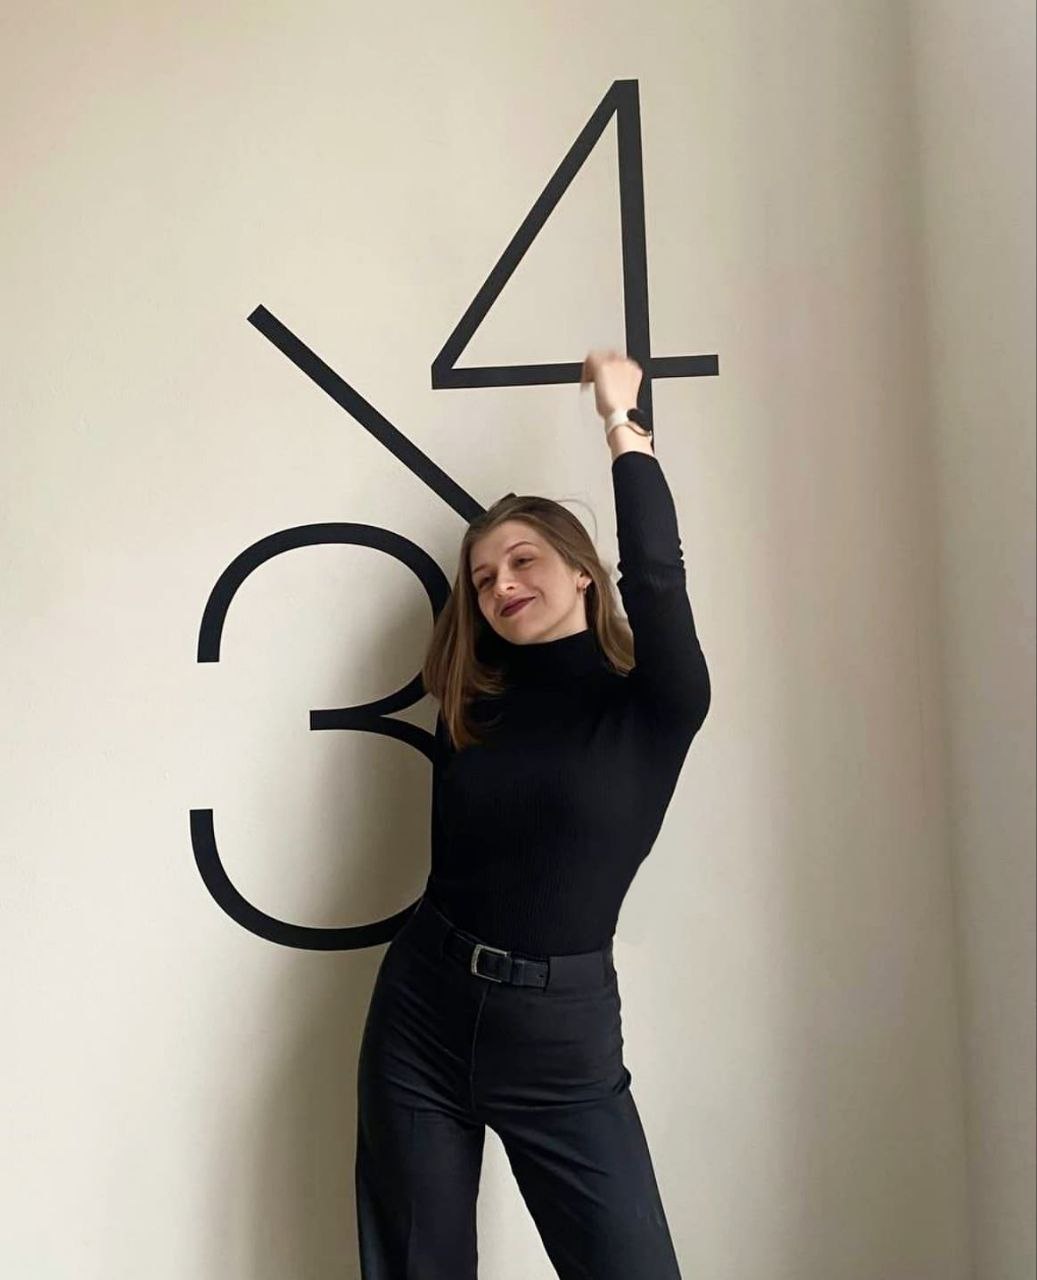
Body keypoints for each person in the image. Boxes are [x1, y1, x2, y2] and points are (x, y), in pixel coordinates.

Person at [354, 349, 712, 1278]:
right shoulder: (471, 702)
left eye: (522, 560)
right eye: (482, 579)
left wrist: (620, 425)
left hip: (559, 1033)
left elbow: (659, 578)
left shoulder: (654, 704)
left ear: (583, 572)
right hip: (421, 1007)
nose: (501, 584)